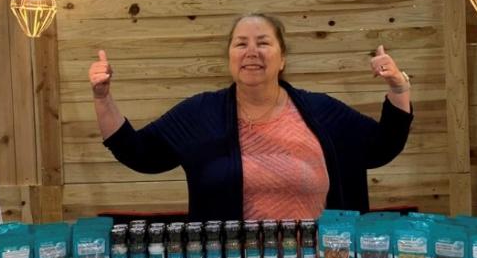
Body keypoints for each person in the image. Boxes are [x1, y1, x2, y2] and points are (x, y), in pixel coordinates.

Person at [88, 13, 412, 221]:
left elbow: (382, 147)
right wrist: (102, 98)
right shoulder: (201, 113)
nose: (251, 52)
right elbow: (138, 152)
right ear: (229, 56)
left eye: (263, 43)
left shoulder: (320, 111)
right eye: (240, 44)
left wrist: (398, 89)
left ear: (282, 58)